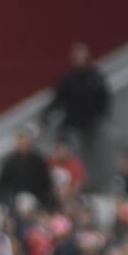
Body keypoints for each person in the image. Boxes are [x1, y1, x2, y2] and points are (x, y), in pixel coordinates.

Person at [41, 43, 111, 182]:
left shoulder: (95, 77)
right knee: (72, 154)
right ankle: (72, 182)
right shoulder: (69, 78)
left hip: (91, 126)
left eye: (82, 56)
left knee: (91, 156)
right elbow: (58, 99)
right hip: (72, 124)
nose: (79, 59)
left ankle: (88, 182)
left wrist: (100, 117)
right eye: (76, 56)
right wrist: (45, 117)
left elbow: (104, 100)